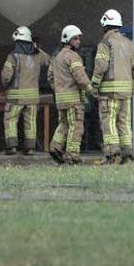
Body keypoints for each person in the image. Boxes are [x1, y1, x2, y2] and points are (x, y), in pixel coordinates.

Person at [90, 9, 134, 165]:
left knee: (109, 122)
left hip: (109, 93)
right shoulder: (129, 43)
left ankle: (112, 155)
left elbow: (101, 65)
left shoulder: (105, 43)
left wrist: (94, 85)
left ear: (105, 25)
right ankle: (127, 155)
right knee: (124, 123)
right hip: (125, 93)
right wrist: (132, 87)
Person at [48, 25, 93, 164]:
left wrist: (58, 90)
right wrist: (91, 90)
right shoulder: (73, 57)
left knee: (63, 124)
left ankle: (55, 147)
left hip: (61, 100)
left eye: (79, 38)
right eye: (75, 38)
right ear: (67, 40)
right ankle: (72, 154)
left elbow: (50, 76)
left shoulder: (57, 57)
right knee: (76, 126)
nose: (79, 41)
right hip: (73, 100)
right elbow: (80, 77)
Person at [1, 26, 50, 155]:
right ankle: (30, 148)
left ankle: (11, 147)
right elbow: (50, 61)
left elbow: (6, 76)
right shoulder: (38, 55)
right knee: (31, 122)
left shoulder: (13, 56)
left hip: (15, 97)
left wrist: (5, 86)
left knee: (10, 120)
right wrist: (36, 47)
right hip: (33, 97)